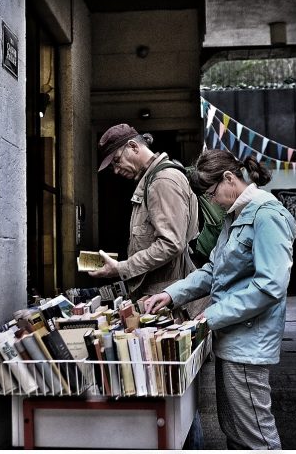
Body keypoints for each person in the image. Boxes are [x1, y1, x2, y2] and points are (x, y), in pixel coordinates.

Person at [144, 149, 296, 450]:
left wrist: (211, 316)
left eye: (211, 193)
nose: (211, 201)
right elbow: (213, 269)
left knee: (256, 438)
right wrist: (170, 294)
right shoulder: (235, 215)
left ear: (229, 178)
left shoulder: (267, 216)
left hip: (248, 344)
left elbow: (269, 287)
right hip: (231, 339)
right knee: (234, 431)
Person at [89, 123, 206, 448]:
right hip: (165, 303)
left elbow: (171, 244)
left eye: (115, 161)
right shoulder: (160, 177)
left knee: (173, 398)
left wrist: (121, 268)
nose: (116, 169)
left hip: (166, 307)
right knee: (178, 396)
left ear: (133, 148)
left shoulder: (162, 181)